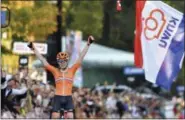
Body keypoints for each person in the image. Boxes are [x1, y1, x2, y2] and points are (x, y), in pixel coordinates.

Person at [28, 35, 95, 119]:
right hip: (58, 97)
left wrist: (88, 44)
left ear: (66, 62)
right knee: (55, 117)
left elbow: (81, 57)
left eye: (63, 61)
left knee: (70, 116)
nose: (62, 63)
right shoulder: (55, 71)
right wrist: (33, 48)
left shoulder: (72, 70)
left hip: (68, 98)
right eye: (60, 61)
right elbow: (43, 60)